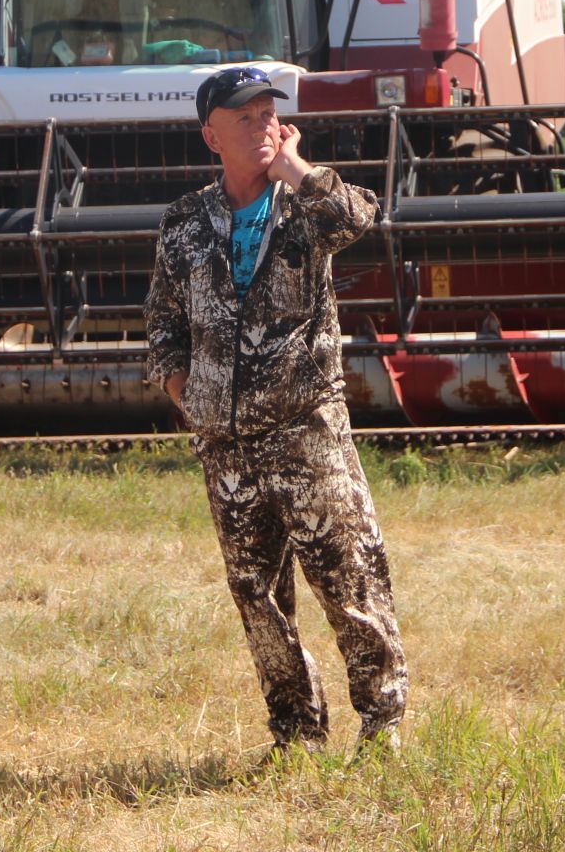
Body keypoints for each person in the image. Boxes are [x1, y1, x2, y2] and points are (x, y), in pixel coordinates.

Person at [143, 66, 408, 756]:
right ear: (212, 136)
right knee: (258, 598)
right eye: (246, 118)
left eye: (269, 114)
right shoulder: (183, 223)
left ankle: (382, 727)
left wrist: (299, 169)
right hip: (226, 449)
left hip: (308, 436)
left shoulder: (306, 206)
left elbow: (360, 216)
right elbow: (163, 323)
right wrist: (185, 393)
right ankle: (296, 733)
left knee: (349, 582)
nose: (262, 126)